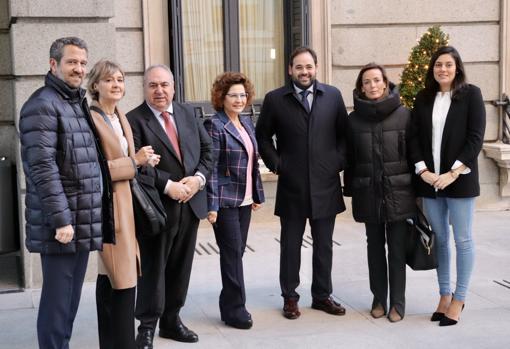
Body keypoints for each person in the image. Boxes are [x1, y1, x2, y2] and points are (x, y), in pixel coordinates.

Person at [19, 37, 111, 349]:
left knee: (69, 301)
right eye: (72, 62)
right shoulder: (42, 105)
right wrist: (61, 221)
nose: (79, 69)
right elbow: (42, 169)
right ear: (53, 64)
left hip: (80, 218)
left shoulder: (74, 102)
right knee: (58, 304)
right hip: (63, 224)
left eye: (83, 63)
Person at [256, 47, 348, 319]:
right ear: (290, 70)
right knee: (290, 245)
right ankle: (290, 297)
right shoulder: (275, 99)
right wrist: (277, 164)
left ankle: (322, 296)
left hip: (326, 184)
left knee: (324, 245)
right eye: (299, 67)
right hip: (292, 186)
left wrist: (337, 162)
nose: (304, 72)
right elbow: (262, 137)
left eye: (308, 66)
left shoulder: (332, 96)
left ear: (316, 68)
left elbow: (344, 135)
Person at [127, 64, 213, 348]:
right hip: (157, 208)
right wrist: (168, 186)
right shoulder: (134, 120)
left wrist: (198, 181)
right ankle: (147, 327)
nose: (159, 90)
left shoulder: (188, 113)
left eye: (164, 84)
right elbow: (137, 167)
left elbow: (209, 151)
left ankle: (172, 320)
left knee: (181, 267)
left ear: (173, 87)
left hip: (190, 204)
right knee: (154, 268)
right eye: (153, 85)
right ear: (145, 88)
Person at [409, 46, 486, 326]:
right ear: (432, 68)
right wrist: (424, 171)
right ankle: (444, 294)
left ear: (457, 68)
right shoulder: (424, 97)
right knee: (440, 239)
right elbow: (414, 137)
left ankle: (459, 297)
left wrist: (452, 174)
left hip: (459, 181)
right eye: (438, 64)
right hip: (431, 182)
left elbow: (475, 138)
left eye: (448, 65)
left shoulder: (471, 94)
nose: (443, 69)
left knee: (462, 240)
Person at [87, 60, 160, 349]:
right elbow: (94, 169)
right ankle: (122, 343)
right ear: (95, 86)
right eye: (109, 80)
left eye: (120, 79)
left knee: (114, 276)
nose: (116, 85)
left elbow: (128, 161)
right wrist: (134, 161)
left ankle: (113, 342)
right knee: (121, 278)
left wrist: (143, 161)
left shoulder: (119, 116)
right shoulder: (90, 119)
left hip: (127, 205)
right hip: (110, 208)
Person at [343, 63, 416, 323]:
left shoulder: (403, 115)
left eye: (376, 80)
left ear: (385, 83)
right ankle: (378, 298)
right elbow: (350, 159)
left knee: (396, 249)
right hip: (368, 191)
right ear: (361, 87)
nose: (372, 86)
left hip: (398, 192)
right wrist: (350, 189)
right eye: (367, 82)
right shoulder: (353, 120)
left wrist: (416, 193)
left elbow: (413, 155)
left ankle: (398, 302)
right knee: (374, 248)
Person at [204, 72, 265, 329]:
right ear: (222, 97)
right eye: (233, 95)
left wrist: (256, 194)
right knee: (231, 255)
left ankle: (228, 303)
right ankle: (237, 310)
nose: (239, 99)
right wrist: (213, 205)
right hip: (225, 201)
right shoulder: (215, 125)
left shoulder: (247, 122)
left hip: (244, 198)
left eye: (243, 95)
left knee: (236, 253)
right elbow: (212, 167)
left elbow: (253, 162)